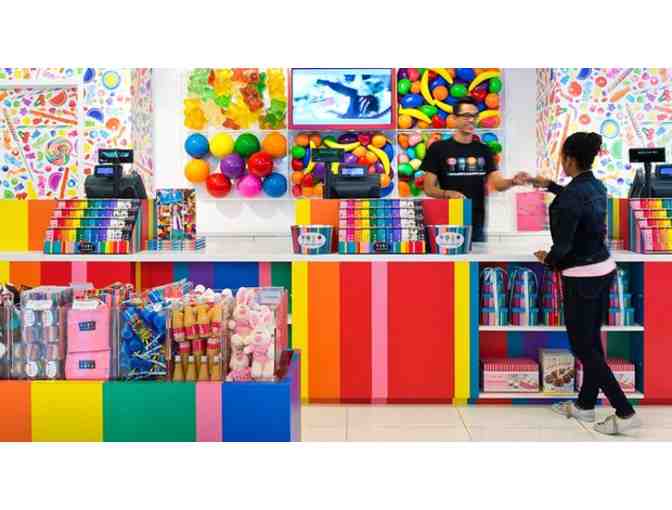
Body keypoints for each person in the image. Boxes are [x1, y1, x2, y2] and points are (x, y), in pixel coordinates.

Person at [531, 131, 641, 435]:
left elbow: (563, 246)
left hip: (582, 278)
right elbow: (576, 200)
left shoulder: (570, 197)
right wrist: (549, 185)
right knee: (592, 344)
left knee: (583, 347)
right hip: (603, 270)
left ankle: (625, 412)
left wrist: (547, 259)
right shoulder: (596, 184)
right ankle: (585, 405)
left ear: (568, 159)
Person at [421, 97, 528, 242]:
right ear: (454, 119)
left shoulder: (484, 150)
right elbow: (428, 188)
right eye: (466, 116)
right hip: (448, 222)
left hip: (477, 226)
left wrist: (513, 181)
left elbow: (498, 184)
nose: (471, 120)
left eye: (474, 116)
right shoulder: (438, 148)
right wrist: (448, 193)